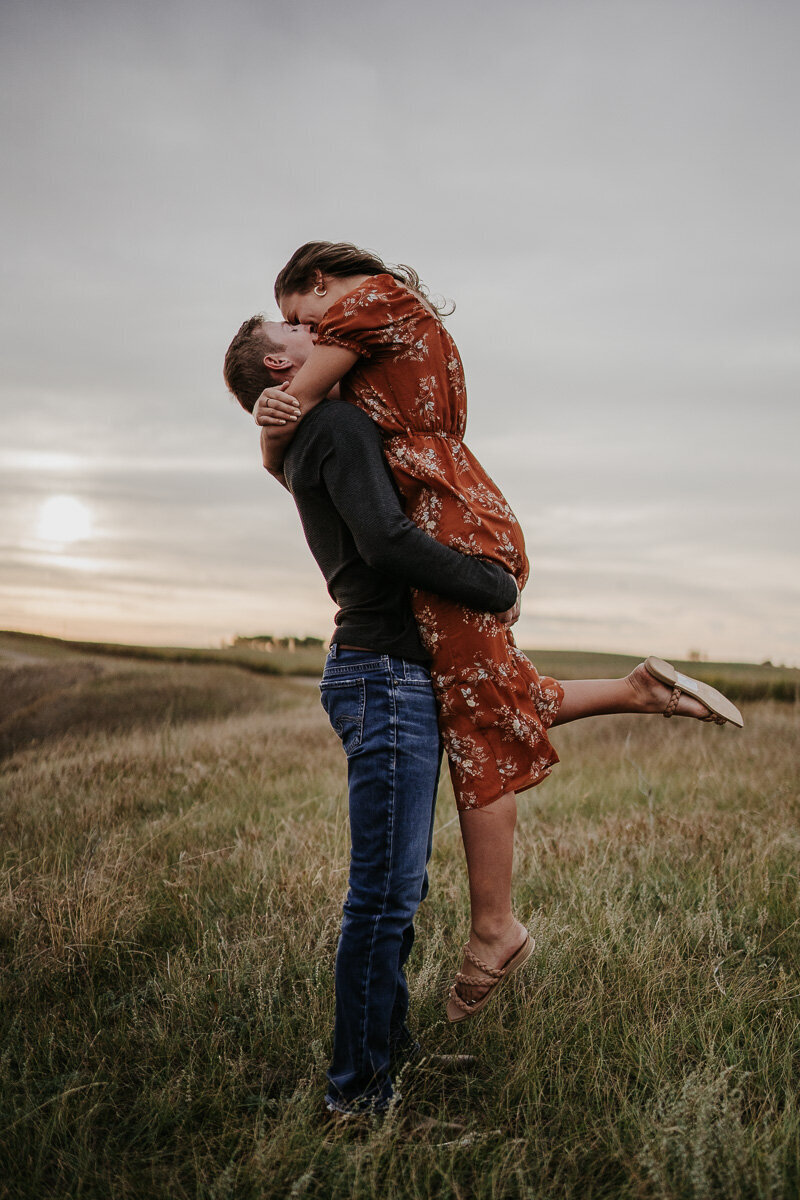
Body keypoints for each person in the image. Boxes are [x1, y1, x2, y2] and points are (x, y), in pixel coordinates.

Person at [242, 243, 744, 1024]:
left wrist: (275, 414)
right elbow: (283, 428)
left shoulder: (368, 303)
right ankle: (637, 689)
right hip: (456, 510)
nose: (307, 330)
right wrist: (272, 421)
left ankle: (493, 930)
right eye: (296, 332)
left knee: (476, 720)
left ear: (316, 286)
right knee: (484, 692)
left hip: (447, 524)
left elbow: (290, 410)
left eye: (298, 316)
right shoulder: (354, 387)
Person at [223, 317, 519, 1115]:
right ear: (281, 363)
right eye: (294, 327)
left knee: (398, 891)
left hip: (383, 672)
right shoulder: (336, 425)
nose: (317, 327)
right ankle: (356, 1098)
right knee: (383, 898)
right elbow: (386, 541)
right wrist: (490, 585)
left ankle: (385, 1056)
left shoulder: (314, 430)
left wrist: (266, 430)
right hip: (383, 675)